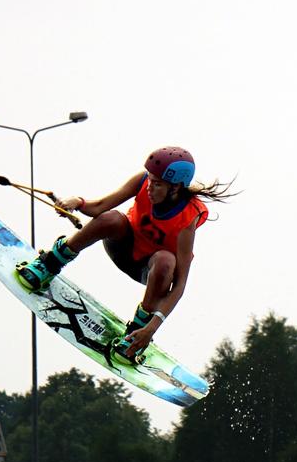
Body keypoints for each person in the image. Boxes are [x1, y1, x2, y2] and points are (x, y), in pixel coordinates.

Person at [15, 145, 234, 361]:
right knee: (113, 218)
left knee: (167, 260)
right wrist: (77, 202)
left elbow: (179, 285)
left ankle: (135, 334)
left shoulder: (189, 217)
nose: (149, 187)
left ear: (175, 188)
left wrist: (151, 329)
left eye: (157, 184)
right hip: (121, 248)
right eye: (150, 180)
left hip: (150, 271)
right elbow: (99, 207)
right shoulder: (142, 182)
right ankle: (49, 264)